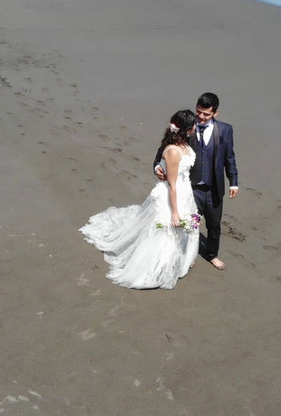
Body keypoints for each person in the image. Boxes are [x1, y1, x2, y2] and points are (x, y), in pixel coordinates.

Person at [79, 110, 200, 290]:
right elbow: (173, 184)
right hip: (173, 194)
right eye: (194, 125)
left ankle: (179, 261)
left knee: (185, 229)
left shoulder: (185, 143)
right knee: (164, 230)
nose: (197, 126)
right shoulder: (173, 151)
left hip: (185, 191)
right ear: (187, 130)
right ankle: (158, 267)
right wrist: (175, 212)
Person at [154, 92, 238, 271]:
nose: (201, 117)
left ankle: (212, 255)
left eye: (206, 114)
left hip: (215, 188)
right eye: (199, 112)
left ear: (216, 113)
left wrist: (234, 182)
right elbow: (162, 151)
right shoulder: (187, 128)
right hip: (192, 189)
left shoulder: (225, 130)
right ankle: (189, 254)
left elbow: (230, 157)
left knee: (214, 224)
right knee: (191, 223)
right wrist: (157, 168)